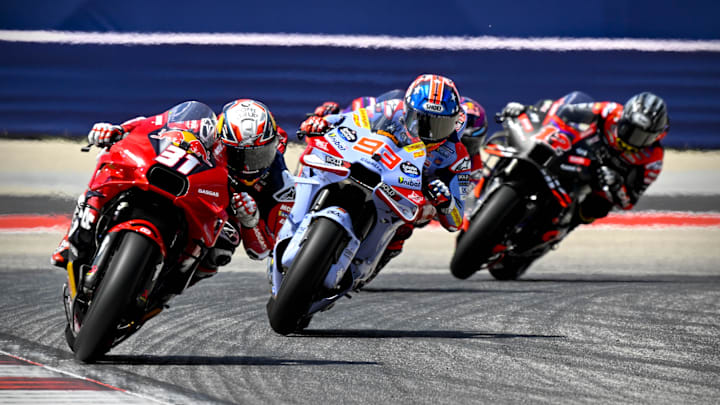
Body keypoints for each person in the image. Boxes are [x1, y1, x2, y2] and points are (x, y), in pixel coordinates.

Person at [52, 99, 294, 285]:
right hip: (193, 189)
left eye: (260, 154)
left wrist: (250, 221)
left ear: (274, 145)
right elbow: (154, 125)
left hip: (217, 217)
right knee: (114, 164)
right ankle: (72, 238)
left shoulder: (277, 181)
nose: (249, 165)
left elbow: (261, 250)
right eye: (239, 155)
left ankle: (166, 288)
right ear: (222, 138)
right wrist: (118, 131)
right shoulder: (206, 128)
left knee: (226, 242)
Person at [299, 74, 471, 273]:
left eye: (440, 125)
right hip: (372, 163)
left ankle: (381, 252)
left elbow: (456, 220)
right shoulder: (390, 109)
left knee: (410, 221)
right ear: (407, 111)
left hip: (411, 193)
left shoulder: (457, 155)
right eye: (421, 121)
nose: (429, 133)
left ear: (454, 122)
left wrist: (445, 201)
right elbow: (350, 119)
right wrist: (323, 123)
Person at [499, 91, 668, 226]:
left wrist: (617, 185)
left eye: (641, 136)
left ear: (656, 136)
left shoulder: (653, 158)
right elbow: (565, 111)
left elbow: (629, 201)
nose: (631, 138)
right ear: (623, 117)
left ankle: (560, 227)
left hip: (598, 181)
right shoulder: (610, 111)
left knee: (597, 208)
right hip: (579, 153)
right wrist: (530, 113)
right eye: (629, 129)